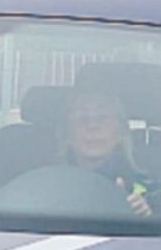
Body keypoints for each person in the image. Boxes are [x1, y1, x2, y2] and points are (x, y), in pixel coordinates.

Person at [63, 88, 152, 216]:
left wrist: (146, 217)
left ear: (121, 132)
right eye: (82, 118)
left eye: (102, 117)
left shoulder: (149, 190)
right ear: (67, 134)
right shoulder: (47, 187)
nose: (93, 126)